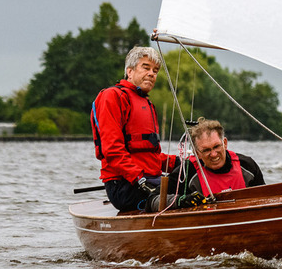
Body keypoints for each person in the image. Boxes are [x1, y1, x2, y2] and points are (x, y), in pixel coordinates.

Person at [91, 46, 178, 213]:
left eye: (155, 70)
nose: (152, 74)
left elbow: (148, 156)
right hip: (125, 185)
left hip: (150, 179)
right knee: (182, 197)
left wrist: (180, 163)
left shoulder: (147, 103)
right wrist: (139, 179)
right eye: (146, 68)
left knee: (191, 175)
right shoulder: (113, 96)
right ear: (129, 71)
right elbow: (112, 150)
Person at [169, 118, 265, 199]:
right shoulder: (186, 172)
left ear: (225, 143)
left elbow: (265, 198)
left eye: (216, 146)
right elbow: (159, 199)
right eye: (206, 150)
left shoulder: (247, 166)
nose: (213, 154)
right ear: (197, 153)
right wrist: (181, 201)